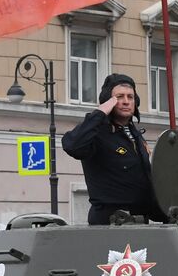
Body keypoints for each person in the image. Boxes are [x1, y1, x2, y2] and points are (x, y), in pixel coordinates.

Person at [62, 73, 165, 225]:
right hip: (110, 223)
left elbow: (144, 186)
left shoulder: (135, 136)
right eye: (119, 97)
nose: (126, 102)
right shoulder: (97, 133)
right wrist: (99, 113)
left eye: (130, 97)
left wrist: (166, 213)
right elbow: (73, 146)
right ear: (108, 101)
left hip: (139, 223)